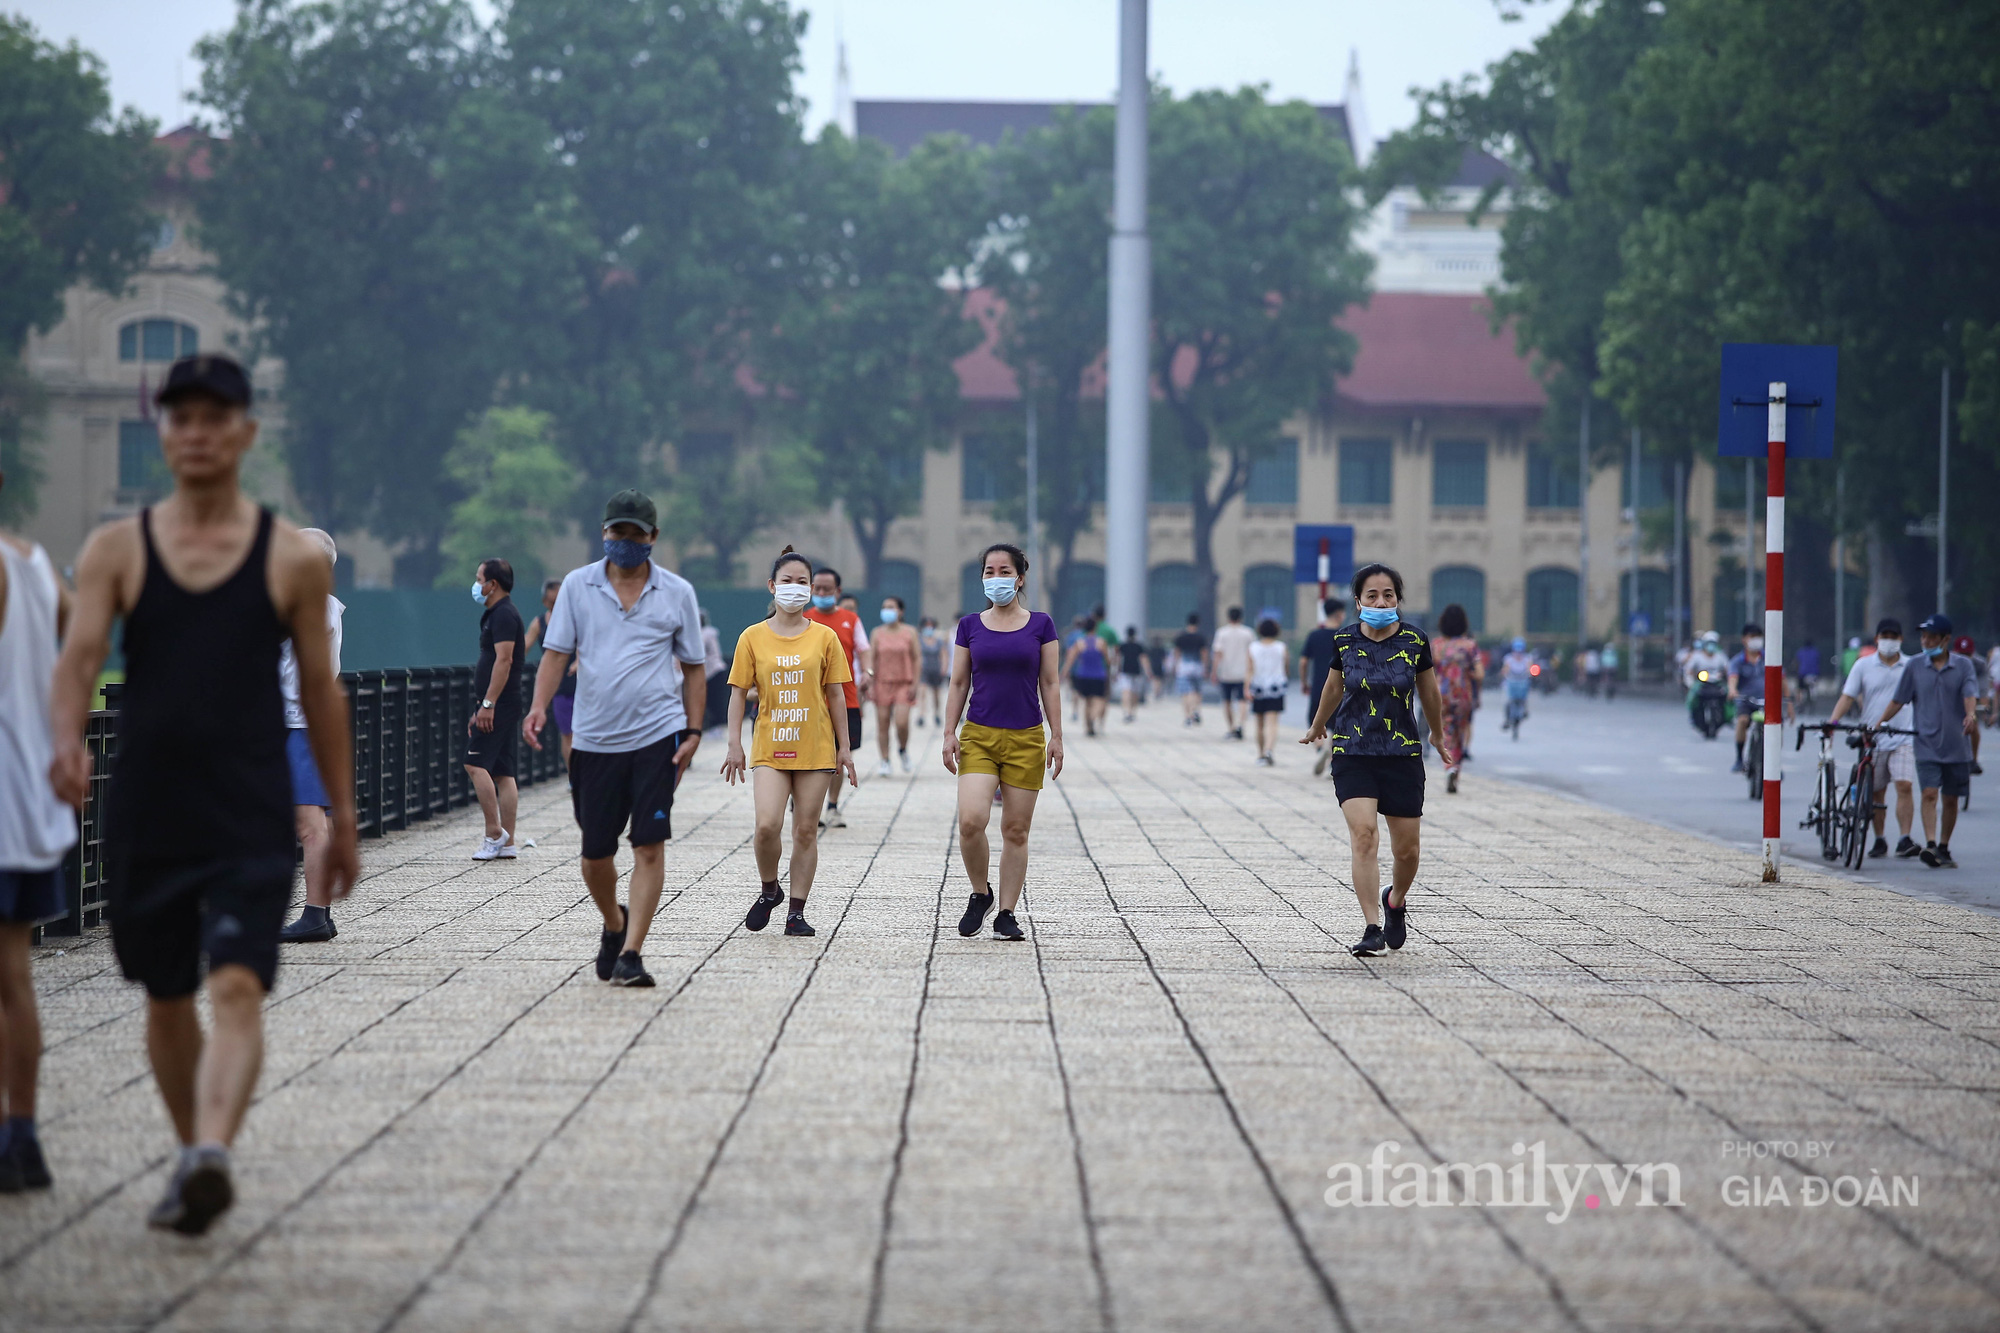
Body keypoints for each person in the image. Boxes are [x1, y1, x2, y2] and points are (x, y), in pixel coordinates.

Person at [48, 352, 358, 1233]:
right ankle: (193, 1150)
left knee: (236, 984)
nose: (197, 433)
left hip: (250, 802)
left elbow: (322, 691)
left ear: (244, 434)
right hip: (150, 803)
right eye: (180, 417)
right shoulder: (117, 548)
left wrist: (343, 816)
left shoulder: (286, 562)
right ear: (163, 432)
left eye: (215, 418)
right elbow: (78, 662)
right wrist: (66, 739)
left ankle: (213, 1147)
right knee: (166, 992)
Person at [525, 489, 705, 989]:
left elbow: (694, 668)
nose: (625, 542)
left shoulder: (677, 593)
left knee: (649, 847)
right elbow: (557, 655)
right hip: (595, 740)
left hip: (656, 736)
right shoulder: (579, 588)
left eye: (635, 534)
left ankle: (631, 954)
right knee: (595, 855)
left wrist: (692, 731)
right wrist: (538, 708)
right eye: (616, 533)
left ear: (653, 537)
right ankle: (613, 921)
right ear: (604, 533)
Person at [1298, 563, 1447, 958]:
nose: (1381, 602)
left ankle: (1395, 900)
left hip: (1401, 755)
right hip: (1354, 751)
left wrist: (1438, 732)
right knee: (1364, 836)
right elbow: (1333, 686)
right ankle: (1371, 926)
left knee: (1407, 851)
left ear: (1398, 599)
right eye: (1372, 596)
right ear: (1359, 601)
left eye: (1388, 595)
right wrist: (1317, 726)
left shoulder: (1415, 640)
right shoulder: (1344, 640)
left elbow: (1429, 693)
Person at [0, 466, 76, 1194]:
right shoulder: (34, 563)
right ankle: (20, 1133)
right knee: (15, 980)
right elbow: (78, 643)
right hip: (29, 804)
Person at [721, 547, 858, 938]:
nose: (794, 589)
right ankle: (770, 890)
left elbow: (836, 695)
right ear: (772, 586)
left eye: (802, 583)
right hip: (770, 745)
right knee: (766, 825)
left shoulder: (826, 637)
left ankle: (796, 911)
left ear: (812, 589)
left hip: (815, 747)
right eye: (787, 581)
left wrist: (844, 747)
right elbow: (737, 693)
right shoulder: (752, 637)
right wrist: (734, 744)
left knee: (805, 830)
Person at [942, 544, 1062, 942]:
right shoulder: (969, 626)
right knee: (971, 821)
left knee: (1015, 830)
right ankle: (981, 894)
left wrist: (1056, 737)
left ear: (1020, 577)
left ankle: (1007, 913)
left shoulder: (1041, 625)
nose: (996, 578)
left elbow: (1050, 682)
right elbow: (959, 681)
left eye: (1004, 571)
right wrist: (948, 733)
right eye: (989, 572)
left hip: (1027, 736)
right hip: (979, 733)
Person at [276, 529, 347, 942]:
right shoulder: (325, 606)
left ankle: (315, 915)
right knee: (316, 821)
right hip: (304, 721)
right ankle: (319, 911)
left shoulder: (309, 608)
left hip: (298, 722)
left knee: (309, 824)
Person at [1877, 614, 1979, 869]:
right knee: (1929, 793)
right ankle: (1931, 844)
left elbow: (1970, 694)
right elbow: (1899, 699)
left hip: (1957, 744)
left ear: (1946, 640)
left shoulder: (1963, 666)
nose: (1926, 641)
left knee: (1951, 799)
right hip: (1926, 743)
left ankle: (1944, 846)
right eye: (1923, 636)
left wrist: (1970, 715)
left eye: (1932, 637)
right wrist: (1879, 723)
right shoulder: (1914, 666)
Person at [1829, 619, 1917, 858]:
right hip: (1873, 736)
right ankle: (1880, 839)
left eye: (1894, 636)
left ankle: (1904, 837)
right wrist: (1833, 722)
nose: (1889, 640)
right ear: (1877, 638)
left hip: (1902, 735)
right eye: (1885, 635)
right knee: (1876, 792)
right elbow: (1848, 696)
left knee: (1904, 785)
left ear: (1901, 639)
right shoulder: (1863, 666)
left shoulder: (1911, 666)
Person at [465, 557, 526, 860]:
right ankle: (509, 841)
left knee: (474, 764)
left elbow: (505, 660)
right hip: (499, 701)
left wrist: (487, 705)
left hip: (499, 702)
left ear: (493, 584)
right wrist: (481, 704)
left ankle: (493, 833)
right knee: (503, 771)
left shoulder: (503, 615)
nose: (476, 585)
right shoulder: (497, 613)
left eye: (479, 579)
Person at [805, 566, 869, 829]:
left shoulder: (850, 620)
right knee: (810, 756)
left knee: (840, 756)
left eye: (827, 589)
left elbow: (864, 650)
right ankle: (809, 806)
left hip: (846, 697)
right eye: (816, 589)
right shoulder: (804, 618)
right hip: (809, 700)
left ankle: (832, 806)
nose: (821, 593)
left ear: (837, 591)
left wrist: (868, 673)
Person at [524, 577, 578, 770]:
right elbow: (525, 646)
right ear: (545, 602)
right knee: (567, 733)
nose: (557, 607)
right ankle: (574, 776)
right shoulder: (539, 623)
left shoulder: (576, 618)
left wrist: (579, 661)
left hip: (582, 683)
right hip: (560, 684)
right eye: (553, 602)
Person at [1728, 622, 1794, 772]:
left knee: (1777, 729)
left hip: (1768, 702)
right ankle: (1739, 758)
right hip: (1747, 701)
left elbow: (1782, 681)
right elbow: (1733, 678)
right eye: (1752, 636)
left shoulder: (1771, 657)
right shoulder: (1738, 661)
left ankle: (1775, 763)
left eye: (1758, 636)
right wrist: (1732, 690)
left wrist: (1789, 704)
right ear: (1744, 639)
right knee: (1742, 721)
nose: (1756, 640)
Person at [1430, 603, 1482, 794]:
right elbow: (1480, 674)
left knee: (1444, 731)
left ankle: (1449, 767)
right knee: (1460, 734)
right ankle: (1455, 770)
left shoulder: (1436, 646)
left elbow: (1428, 673)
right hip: (1463, 695)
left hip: (1440, 695)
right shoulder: (1470, 646)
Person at [871, 596, 922, 775]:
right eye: (884, 607)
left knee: (901, 722)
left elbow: (916, 658)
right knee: (883, 722)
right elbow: (872, 659)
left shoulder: (910, 632)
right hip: (882, 682)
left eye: (891, 607)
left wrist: (916, 683)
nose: (887, 610)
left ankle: (902, 749)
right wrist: (870, 683)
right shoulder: (877, 633)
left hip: (904, 682)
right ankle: (885, 760)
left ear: (900, 611)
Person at [1299, 599, 1347, 775]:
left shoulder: (1314, 635)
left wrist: (1304, 682)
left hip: (1319, 683)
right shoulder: (1344, 636)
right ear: (1339, 613)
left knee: (1315, 720)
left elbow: (1303, 661)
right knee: (1337, 724)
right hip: (1341, 684)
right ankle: (1332, 759)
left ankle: (1321, 749)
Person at [1247, 617, 1289, 766]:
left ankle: (1260, 754)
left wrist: (1246, 688)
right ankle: (1269, 750)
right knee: (1272, 722)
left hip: (1258, 687)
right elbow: (1286, 667)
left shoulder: (1253, 647)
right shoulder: (1281, 647)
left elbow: (1249, 670)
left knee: (1259, 724)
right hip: (1276, 687)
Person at [1210, 606, 1256, 740]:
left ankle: (1231, 727)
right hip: (1244, 672)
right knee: (1243, 700)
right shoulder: (1248, 633)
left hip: (1226, 672)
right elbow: (1253, 653)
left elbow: (1218, 654)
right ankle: (1241, 725)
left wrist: (1214, 671)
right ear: (1241, 617)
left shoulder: (1222, 633)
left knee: (1227, 701)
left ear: (1228, 617)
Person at [1064, 616, 1112, 736]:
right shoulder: (1101, 642)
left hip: (1083, 675)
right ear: (1095, 627)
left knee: (1087, 701)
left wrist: (1063, 674)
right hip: (1098, 675)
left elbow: (1070, 660)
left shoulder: (1079, 643)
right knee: (1100, 701)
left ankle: (1088, 727)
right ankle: (1092, 718)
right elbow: (1107, 661)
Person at [1953, 635, 1985, 774]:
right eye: (1961, 654)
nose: (1964, 658)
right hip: (1953, 699)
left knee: (1974, 725)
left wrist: (1982, 707)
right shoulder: (1948, 662)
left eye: (1967, 654)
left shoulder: (1980, 665)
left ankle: (1973, 760)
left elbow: (1983, 690)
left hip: (1972, 698)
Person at [1172, 614, 1207, 726]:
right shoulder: (1200, 637)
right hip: (1197, 665)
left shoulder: (1181, 637)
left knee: (1185, 692)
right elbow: (1204, 653)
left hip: (1184, 665)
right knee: (1196, 691)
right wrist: (1206, 667)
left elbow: (1177, 652)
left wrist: (1175, 665)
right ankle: (1195, 710)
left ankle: (1188, 716)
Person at [1117, 625, 1156, 723]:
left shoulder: (1123, 646)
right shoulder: (1139, 646)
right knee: (1135, 693)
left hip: (1125, 670)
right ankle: (1132, 712)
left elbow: (1118, 659)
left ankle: (1126, 711)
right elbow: (1144, 659)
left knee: (1126, 692)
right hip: (1136, 671)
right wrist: (1148, 672)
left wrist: (1117, 670)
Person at [700, 609, 728, 730]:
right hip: (710, 672)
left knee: (715, 700)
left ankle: (717, 726)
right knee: (711, 700)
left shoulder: (706, 633)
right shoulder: (705, 633)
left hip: (714, 671)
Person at [918, 615, 946, 727]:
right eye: (926, 626)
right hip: (923, 669)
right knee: (922, 692)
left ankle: (936, 713)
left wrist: (944, 667)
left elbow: (943, 655)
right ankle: (921, 715)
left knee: (936, 694)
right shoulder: (919, 640)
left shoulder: (938, 641)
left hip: (936, 669)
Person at [1795, 638, 1822, 713]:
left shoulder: (1801, 652)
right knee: (1813, 689)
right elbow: (1818, 662)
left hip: (1803, 674)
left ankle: (1799, 704)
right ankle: (1812, 704)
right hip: (1814, 675)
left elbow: (1798, 662)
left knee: (1799, 689)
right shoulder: (1816, 652)